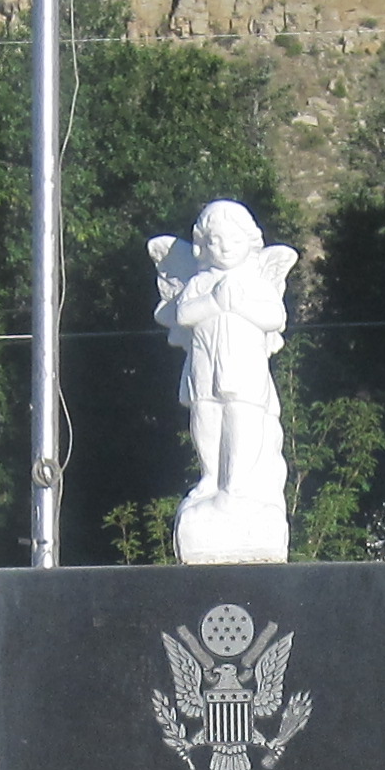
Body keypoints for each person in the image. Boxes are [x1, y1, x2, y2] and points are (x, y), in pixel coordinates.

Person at [149, 199, 297, 563]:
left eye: (232, 240)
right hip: (205, 364)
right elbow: (183, 314)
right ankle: (212, 477)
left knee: (241, 418)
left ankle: (237, 484)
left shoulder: (254, 281)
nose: (224, 247)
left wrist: (239, 304)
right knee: (207, 416)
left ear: (249, 242)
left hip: (244, 366)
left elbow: (274, 316)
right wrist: (216, 301)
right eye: (215, 241)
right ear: (202, 246)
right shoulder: (200, 281)